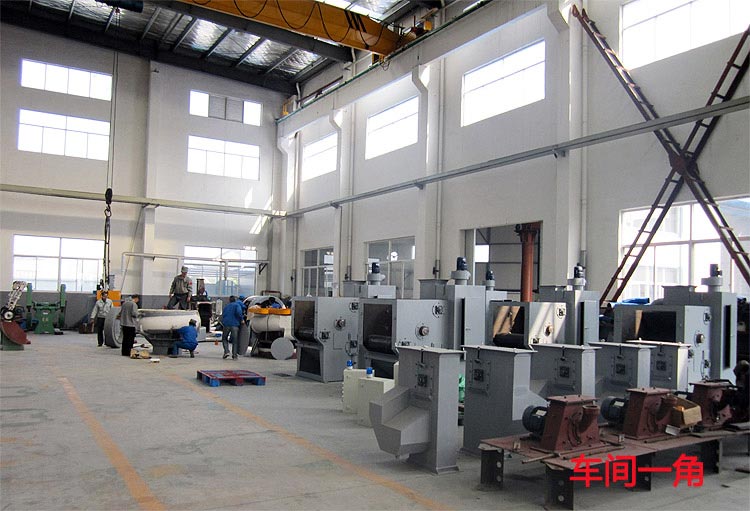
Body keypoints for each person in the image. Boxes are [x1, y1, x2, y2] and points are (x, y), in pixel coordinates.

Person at [221, 295, 244, 360]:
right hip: (235, 324)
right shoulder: (237, 305)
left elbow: (223, 315)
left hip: (226, 324)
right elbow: (239, 312)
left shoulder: (226, 306)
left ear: (229, 300)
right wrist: (242, 319)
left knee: (224, 338)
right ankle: (234, 355)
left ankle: (226, 351)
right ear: (235, 300)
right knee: (235, 340)